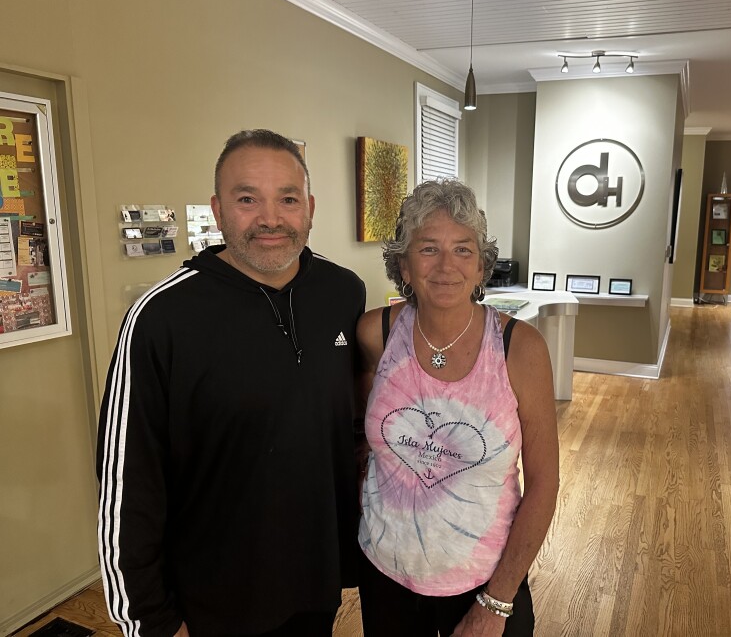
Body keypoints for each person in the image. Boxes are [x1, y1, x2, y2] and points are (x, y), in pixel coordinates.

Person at [96, 129, 366, 636]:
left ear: (309, 207)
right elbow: (128, 482)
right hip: (213, 597)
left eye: (287, 199)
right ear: (218, 211)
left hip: (316, 578)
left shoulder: (342, 292)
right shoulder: (161, 318)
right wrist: (148, 619)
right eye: (248, 199)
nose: (270, 219)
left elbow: (348, 424)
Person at [355, 179, 559, 636]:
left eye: (463, 250)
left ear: (482, 266)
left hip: (484, 580)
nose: (447, 266)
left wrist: (498, 600)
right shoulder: (375, 335)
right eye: (428, 249)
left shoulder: (518, 349)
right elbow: (358, 433)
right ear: (404, 265)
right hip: (385, 574)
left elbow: (545, 484)